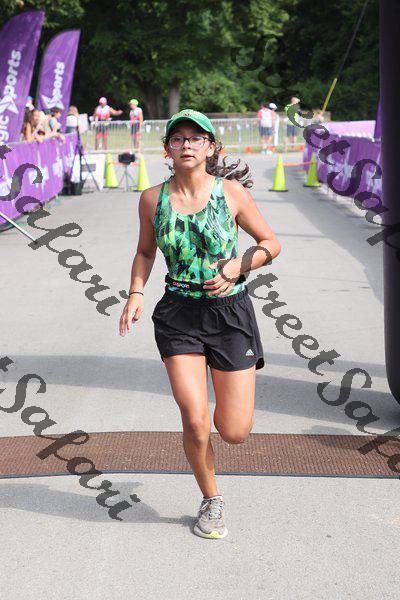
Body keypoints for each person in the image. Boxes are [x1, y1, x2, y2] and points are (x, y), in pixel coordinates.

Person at [119, 108, 281, 539]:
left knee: (234, 431)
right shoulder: (152, 199)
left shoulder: (231, 194)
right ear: (168, 150)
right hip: (178, 315)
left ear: (211, 148)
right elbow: (145, 251)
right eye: (178, 138)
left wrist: (238, 266)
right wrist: (136, 292)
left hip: (230, 315)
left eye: (196, 138)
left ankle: (226, 412)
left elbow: (270, 243)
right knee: (194, 419)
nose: (187, 144)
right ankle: (211, 498)